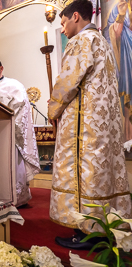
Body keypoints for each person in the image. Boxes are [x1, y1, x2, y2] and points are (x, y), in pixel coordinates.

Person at [47, 0, 132, 249]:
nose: (62, 29)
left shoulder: (82, 41)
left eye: (63, 23)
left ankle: (87, 232)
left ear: (75, 17)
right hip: (104, 124)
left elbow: (68, 81)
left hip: (84, 123)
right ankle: (106, 227)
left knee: (84, 175)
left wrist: (53, 107)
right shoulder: (103, 41)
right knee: (99, 174)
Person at [0, 58, 40, 207]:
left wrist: (0, 101)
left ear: (1, 68)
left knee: (12, 166)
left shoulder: (14, 86)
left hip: (9, 133)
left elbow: (22, 109)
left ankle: (17, 198)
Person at [103, 0, 132, 140]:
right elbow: (113, 34)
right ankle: (128, 140)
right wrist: (121, 15)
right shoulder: (118, 7)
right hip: (126, 58)